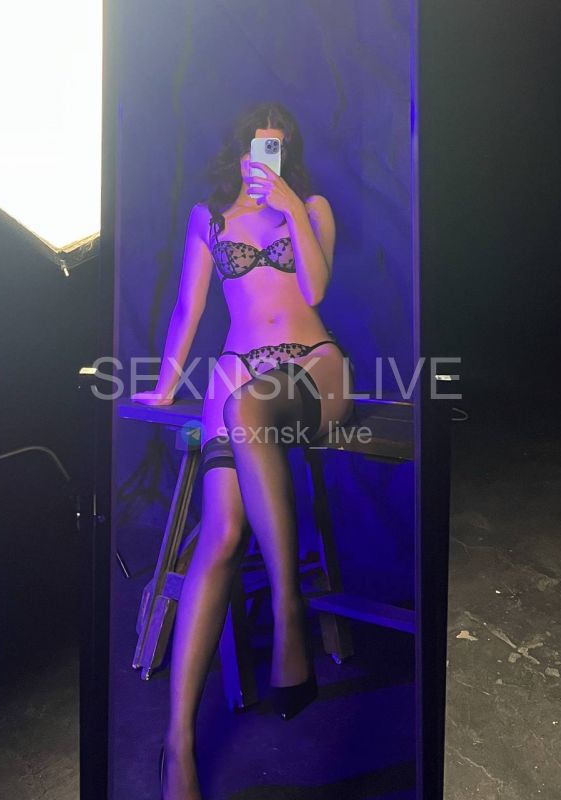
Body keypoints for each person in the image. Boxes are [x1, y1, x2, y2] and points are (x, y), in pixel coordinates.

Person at [132, 101, 355, 800]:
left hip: (313, 364)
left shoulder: (310, 207)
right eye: (259, 144)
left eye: (279, 146)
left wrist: (289, 207)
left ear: (289, 153)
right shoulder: (209, 218)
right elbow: (189, 308)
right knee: (221, 534)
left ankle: (289, 609)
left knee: (248, 406)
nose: (267, 156)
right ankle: (178, 745)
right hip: (236, 370)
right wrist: (165, 386)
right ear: (239, 149)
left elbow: (316, 287)